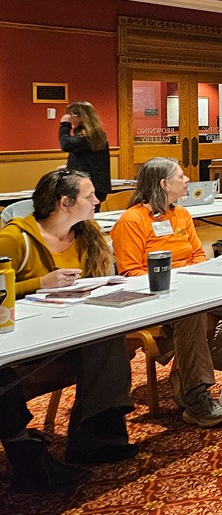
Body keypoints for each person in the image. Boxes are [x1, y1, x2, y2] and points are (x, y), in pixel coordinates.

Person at [0, 169, 136, 491]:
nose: (97, 201)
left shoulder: (86, 235)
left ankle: (95, 432)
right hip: (25, 338)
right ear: (65, 202)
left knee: (110, 338)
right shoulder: (15, 238)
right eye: (89, 196)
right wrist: (39, 284)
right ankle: (80, 438)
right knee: (105, 345)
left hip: (68, 329)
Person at [110, 158, 222, 428]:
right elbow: (130, 274)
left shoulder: (181, 214)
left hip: (192, 287)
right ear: (163, 184)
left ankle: (194, 368)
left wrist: (199, 277)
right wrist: (176, 282)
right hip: (153, 297)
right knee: (192, 313)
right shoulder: (132, 220)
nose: (187, 181)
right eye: (181, 177)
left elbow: (198, 253)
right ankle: (196, 395)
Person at [58, 101, 112, 206]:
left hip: (89, 185)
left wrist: (65, 125)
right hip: (96, 184)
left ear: (81, 117)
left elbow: (66, 145)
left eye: (71, 115)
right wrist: (69, 166)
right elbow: (88, 158)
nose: (70, 118)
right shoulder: (95, 133)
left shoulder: (88, 135)